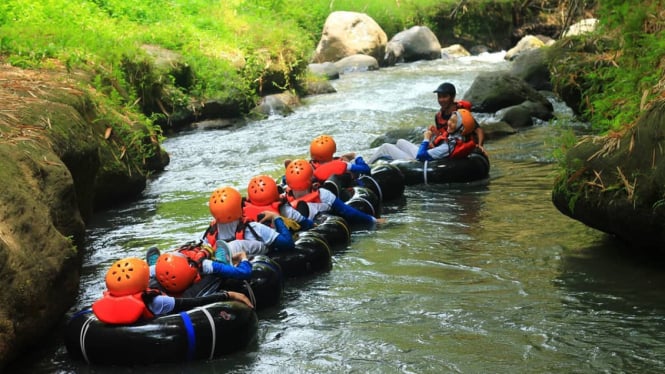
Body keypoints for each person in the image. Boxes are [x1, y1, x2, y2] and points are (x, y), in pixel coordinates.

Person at [92, 257, 253, 325]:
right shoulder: (157, 301)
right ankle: (221, 260)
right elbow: (193, 302)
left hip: (157, 289)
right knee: (212, 279)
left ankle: (157, 263)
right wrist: (228, 294)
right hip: (174, 302)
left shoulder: (105, 300)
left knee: (159, 279)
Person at [367, 82, 486, 163]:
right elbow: (443, 137)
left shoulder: (461, 115)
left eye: (444, 97)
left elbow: (476, 128)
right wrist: (434, 136)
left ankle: (361, 170)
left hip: (426, 159)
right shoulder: (440, 116)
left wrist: (479, 145)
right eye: (439, 97)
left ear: (452, 97)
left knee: (385, 147)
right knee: (400, 141)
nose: (441, 100)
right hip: (437, 152)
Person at [283, 159, 385, 227]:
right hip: (323, 225)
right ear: (312, 178)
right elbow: (349, 212)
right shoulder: (324, 194)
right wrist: (373, 220)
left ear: (287, 182)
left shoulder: (283, 202)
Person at [203, 186, 295, 256]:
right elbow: (288, 243)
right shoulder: (254, 229)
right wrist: (276, 217)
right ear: (241, 208)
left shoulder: (208, 235)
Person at [243, 174, 314, 232]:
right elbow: (306, 223)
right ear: (275, 193)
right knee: (302, 206)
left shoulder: (244, 212)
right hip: (283, 237)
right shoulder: (284, 209)